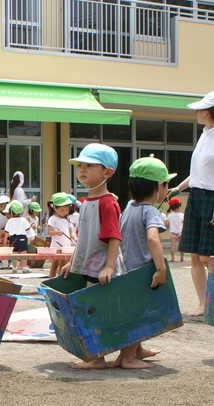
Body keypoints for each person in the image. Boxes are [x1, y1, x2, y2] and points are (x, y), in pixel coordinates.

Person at [171, 91, 214, 317]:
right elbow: (197, 173)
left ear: (209, 112)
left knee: (208, 257)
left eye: (200, 109)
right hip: (197, 197)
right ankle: (203, 304)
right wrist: (179, 188)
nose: (197, 113)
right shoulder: (204, 135)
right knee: (195, 256)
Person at [61, 144, 124, 370]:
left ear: (107, 172)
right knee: (94, 309)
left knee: (96, 311)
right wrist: (72, 261)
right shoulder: (86, 202)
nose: (82, 170)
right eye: (80, 166)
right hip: (90, 265)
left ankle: (98, 358)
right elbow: (83, 238)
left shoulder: (108, 202)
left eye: (89, 165)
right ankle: (105, 355)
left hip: (101, 269)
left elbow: (114, 237)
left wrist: (109, 266)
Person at [113, 156, 174, 369]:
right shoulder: (150, 211)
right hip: (142, 271)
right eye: (166, 184)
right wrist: (161, 267)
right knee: (138, 315)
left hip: (127, 268)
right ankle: (129, 358)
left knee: (132, 311)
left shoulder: (128, 207)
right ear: (158, 188)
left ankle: (136, 351)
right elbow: (152, 238)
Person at [47, 193, 75, 278]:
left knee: (64, 264)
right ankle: (51, 279)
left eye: (67, 210)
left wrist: (73, 237)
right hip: (57, 246)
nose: (65, 212)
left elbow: (71, 231)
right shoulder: (52, 219)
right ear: (55, 208)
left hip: (66, 245)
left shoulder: (67, 218)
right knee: (54, 265)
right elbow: (49, 233)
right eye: (62, 210)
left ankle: (61, 279)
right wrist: (56, 233)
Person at [4, 200, 31, 274]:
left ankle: (14, 267)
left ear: (11, 212)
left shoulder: (10, 221)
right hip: (22, 237)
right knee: (23, 253)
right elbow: (28, 228)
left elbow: (6, 232)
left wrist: (5, 241)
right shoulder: (23, 220)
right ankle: (24, 267)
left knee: (14, 253)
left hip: (13, 238)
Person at [166, 198, 185, 262]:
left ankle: (172, 258)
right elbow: (184, 223)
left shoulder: (170, 215)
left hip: (173, 233)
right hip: (180, 232)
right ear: (179, 205)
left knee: (173, 245)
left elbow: (166, 224)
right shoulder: (182, 215)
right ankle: (182, 258)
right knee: (181, 246)